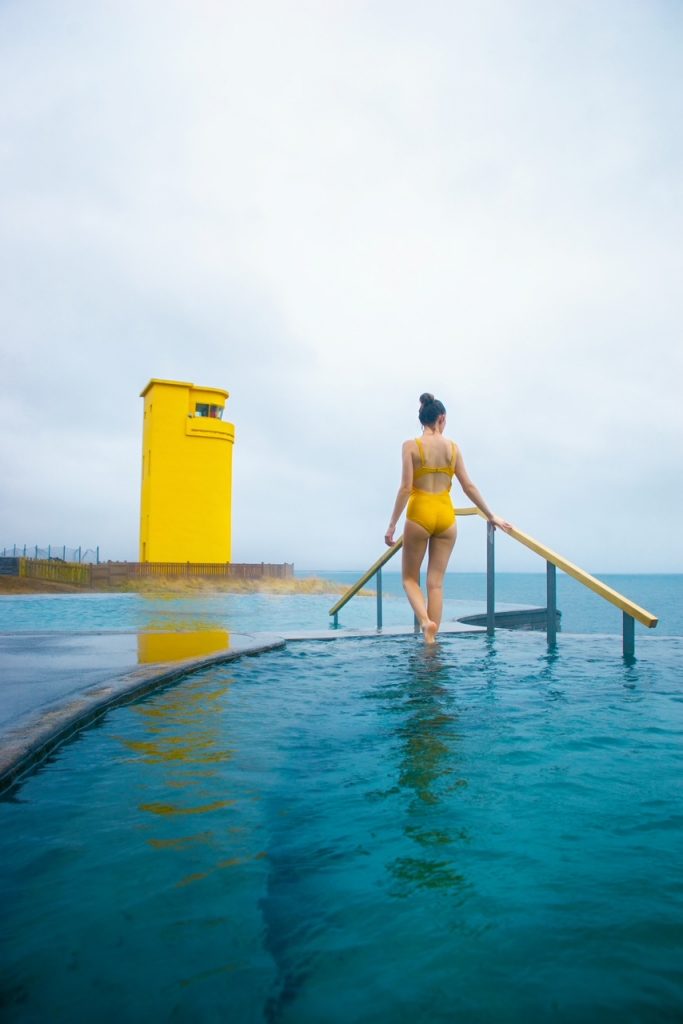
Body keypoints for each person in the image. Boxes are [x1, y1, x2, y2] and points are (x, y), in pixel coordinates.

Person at [385, 393, 512, 644]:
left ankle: (425, 622)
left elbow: (405, 488)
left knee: (410, 579)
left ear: (423, 419)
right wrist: (491, 515)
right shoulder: (453, 448)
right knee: (436, 584)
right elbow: (468, 486)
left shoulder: (411, 446)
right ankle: (432, 641)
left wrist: (392, 525)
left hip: (420, 514)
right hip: (445, 516)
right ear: (442, 418)